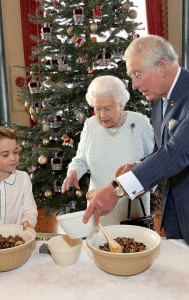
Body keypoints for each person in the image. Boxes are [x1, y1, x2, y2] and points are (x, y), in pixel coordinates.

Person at [83, 35, 189, 244]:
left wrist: (117, 189)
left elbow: (176, 152)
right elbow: (162, 150)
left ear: (161, 67)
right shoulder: (159, 101)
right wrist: (139, 166)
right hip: (175, 213)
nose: (134, 85)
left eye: (137, 74)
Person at [62, 75, 154, 226]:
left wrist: (144, 186)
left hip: (131, 209)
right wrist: (73, 172)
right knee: (98, 246)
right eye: (97, 109)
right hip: (98, 206)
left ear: (121, 104)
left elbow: (154, 162)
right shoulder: (90, 125)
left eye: (107, 109)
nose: (102, 115)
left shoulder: (139, 123)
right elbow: (81, 160)